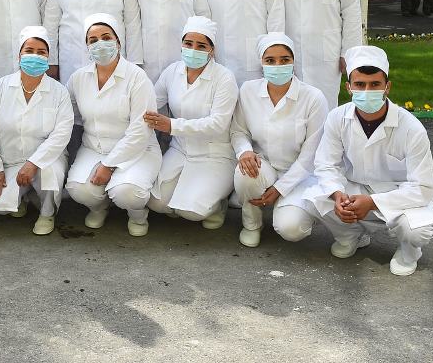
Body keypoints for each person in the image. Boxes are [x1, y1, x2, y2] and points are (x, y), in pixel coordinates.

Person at [307, 45, 433, 276]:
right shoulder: (336, 117)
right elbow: (326, 165)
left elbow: (423, 188)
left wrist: (372, 202)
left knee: (418, 230)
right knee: (315, 198)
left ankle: (409, 252)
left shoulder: (412, 128)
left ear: (387, 87)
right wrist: (337, 194)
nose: (367, 91)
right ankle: (351, 235)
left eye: (375, 84)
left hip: (401, 195)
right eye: (360, 84)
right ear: (348, 87)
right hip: (356, 188)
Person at [65, 14, 161, 236]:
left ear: (118, 41)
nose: (100, 44)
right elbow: (70, 116)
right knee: (78, 189)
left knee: (127, 192)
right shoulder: (78, 78)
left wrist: (108, 165)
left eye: (106, 37)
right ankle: (99, 207)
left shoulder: (137, 77)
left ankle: (137, 215)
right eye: (93, 40)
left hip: (138, 150)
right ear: (87, 46)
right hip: (94, 147)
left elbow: (140, 131)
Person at [229, 33, 327, 248]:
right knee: (245, 171)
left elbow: (311, 155)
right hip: (264, 165)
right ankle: (252, 224)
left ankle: (298, 209)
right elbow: (238, 131)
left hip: (300, 175)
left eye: (284, 60)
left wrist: (280, 189)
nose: (278, 65)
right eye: (270, 60)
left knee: (292, 229)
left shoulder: (313, 98)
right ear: (261, 63)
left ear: (293, 61)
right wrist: (245, 151)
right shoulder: (248, 90)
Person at [146, 16, 239, 228]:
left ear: (212, 50)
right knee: (155, 203)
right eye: (188, 43)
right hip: (180, 149)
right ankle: (184, 197)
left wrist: (172, 125)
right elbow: (151, 102)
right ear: (181, 45)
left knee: (192, 212)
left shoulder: (224, 78)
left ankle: (219, 205)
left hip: (214, 154)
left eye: (201, 46)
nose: (193, 50)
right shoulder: (172, 71)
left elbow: (218, 124)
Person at [0, 27, 73, 235]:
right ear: (19, 55)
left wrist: (33, 163)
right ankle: (24, 196)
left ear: (48, 57)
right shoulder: (0, 87)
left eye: (41, 52)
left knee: (49, 172)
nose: (35, 56)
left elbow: (61, 134)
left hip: (46, 161)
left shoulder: (59, 92)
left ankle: (47, 212)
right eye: (29, 50)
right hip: (10, 160)